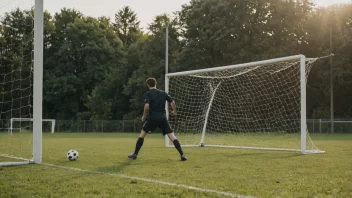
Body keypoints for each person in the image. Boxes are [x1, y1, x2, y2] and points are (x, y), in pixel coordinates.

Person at [128, 77, 187, 161]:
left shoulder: (148, 94)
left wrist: (144, 116)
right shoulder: (163, 93)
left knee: (142, 135)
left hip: (152, 118)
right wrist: (174, 111)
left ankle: (135, 154)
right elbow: (172, 102)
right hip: (163, 118)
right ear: (155, 83)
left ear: (148, 85)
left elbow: (147, 105)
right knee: (172, 136)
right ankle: (182, 154)